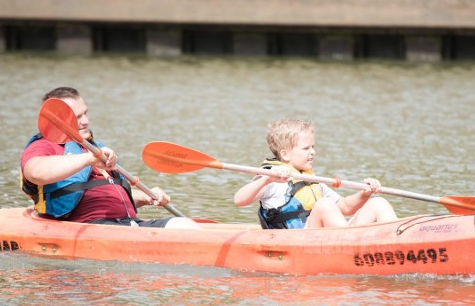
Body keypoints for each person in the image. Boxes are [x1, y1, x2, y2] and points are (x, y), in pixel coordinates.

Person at [21, 87, 198, 229]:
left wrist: (145, 197)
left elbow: (104, 193)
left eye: (85, 113)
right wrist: (89, 159)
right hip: (91, 227)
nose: (85, 121)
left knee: (183, 225)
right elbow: (35, 172)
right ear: (56, 122)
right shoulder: (44, 146)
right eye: (77, 117)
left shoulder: (92, 147)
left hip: (126, 223)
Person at [233, 118, 397, 229]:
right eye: (306, 148)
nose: (313, 152)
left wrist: (365, 193)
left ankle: (397, 244)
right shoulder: (271, 179)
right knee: (324, 205)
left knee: (379, 203)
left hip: (330, 238)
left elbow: (346, 207)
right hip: (299, 244)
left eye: (313, 146)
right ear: (285, 154)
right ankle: (352, 244)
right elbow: (239, 200)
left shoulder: (311, 179)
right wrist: (266, 180)